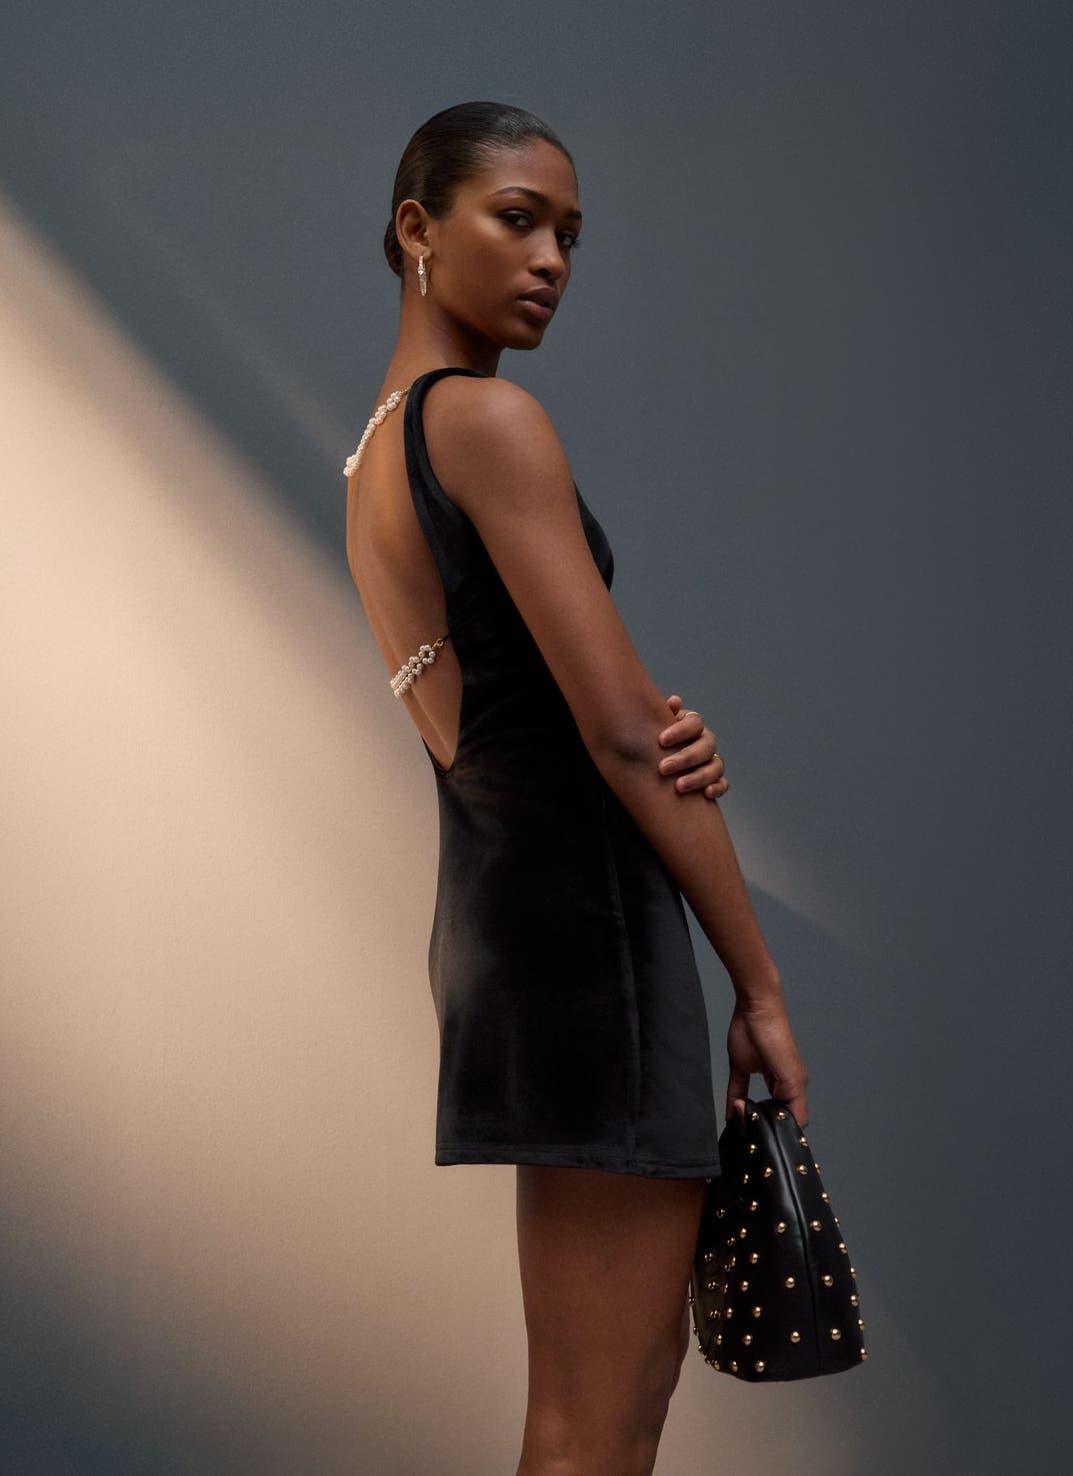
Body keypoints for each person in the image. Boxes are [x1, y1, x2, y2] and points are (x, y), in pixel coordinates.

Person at [343, 102, 812, 1475]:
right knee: (604, 1418)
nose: (552, 257)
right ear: (418, 228)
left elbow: (489, 731)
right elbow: (618, 740)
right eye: (517, 218)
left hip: (506, 938)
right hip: (591, 945)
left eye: (571, 235)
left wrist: (634, 731)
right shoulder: (487, 423)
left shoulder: (377, 453)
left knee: (590, 1407)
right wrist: (761, 987)